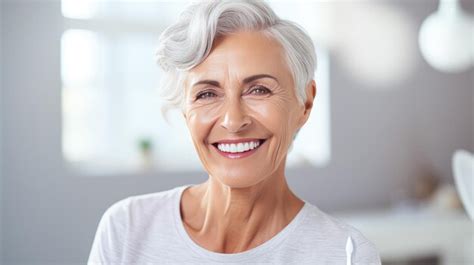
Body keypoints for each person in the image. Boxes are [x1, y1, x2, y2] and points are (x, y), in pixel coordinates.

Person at [88, 1, 381, 264]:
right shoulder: (126, 229)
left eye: (259, 90)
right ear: (185, 111)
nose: (232, 120)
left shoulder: (347, 254)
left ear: (305, 103)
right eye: (206, 94)